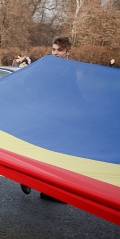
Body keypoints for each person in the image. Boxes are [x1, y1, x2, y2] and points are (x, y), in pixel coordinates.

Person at [19, 36, 71, 202]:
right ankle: (26, 177)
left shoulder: (70, 70)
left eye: (59, 50)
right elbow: (28, 83)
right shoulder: (44, 65)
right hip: (42, 115)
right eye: (53, 49)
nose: (55, 53)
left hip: (60, 118)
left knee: (54, 155)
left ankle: (48, 190)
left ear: (68, 53)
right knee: (38, 150)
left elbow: (73, 93)